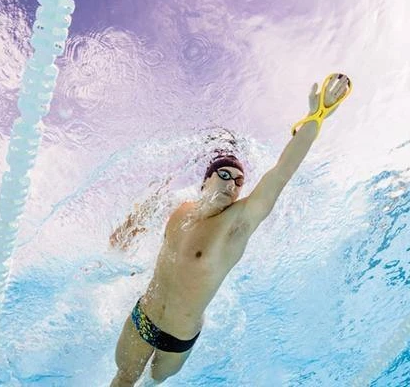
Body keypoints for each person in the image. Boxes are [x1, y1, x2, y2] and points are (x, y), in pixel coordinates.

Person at [110, 73, 352, 386]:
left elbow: (280, 174)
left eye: (239, 181)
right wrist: (120, 245)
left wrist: (315, 118)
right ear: (205, 181)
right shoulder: (177, 209)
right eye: (224, 175)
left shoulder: (235, 224)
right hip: (144, 315)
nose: (232, 184)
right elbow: (126, 236)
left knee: (151, 382)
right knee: (123, 378)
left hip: (177, 337)